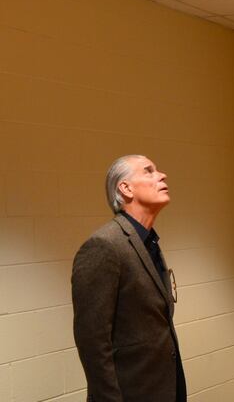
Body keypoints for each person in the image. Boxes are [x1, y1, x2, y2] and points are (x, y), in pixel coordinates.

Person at [72, 155, 186, 402]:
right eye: (149, 171)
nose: (162, 175)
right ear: (126, 188)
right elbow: (92, 342)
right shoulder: (104, 245)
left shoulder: (149, 241)